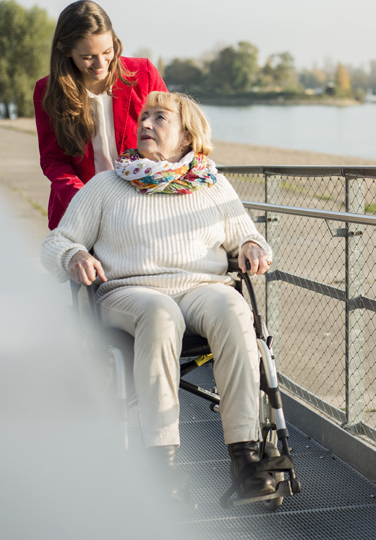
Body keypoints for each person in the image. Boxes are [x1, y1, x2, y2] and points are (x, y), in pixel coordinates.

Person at [41, 91, 276, 503]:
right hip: (131, 293)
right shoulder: (108, 184)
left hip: (203, 289)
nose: (146, 123)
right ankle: (161, 467)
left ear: (186, 137)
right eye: (144, 116)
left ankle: (248, 460)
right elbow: (56, 242)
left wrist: (254, 248)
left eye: (160, 118)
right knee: (161, 312)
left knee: (235, 309)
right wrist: (74, 253)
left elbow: (248, 237)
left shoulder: (213, 184)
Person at [34, 0, 167, 229]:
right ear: (65, 51)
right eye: (87, 57)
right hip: (80, 215)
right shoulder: (47, 91)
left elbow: (173, 133)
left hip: (144, 210)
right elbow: (53, 161)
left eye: (107, 51)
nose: (100, 64)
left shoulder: (144, 73)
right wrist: (85, 200)